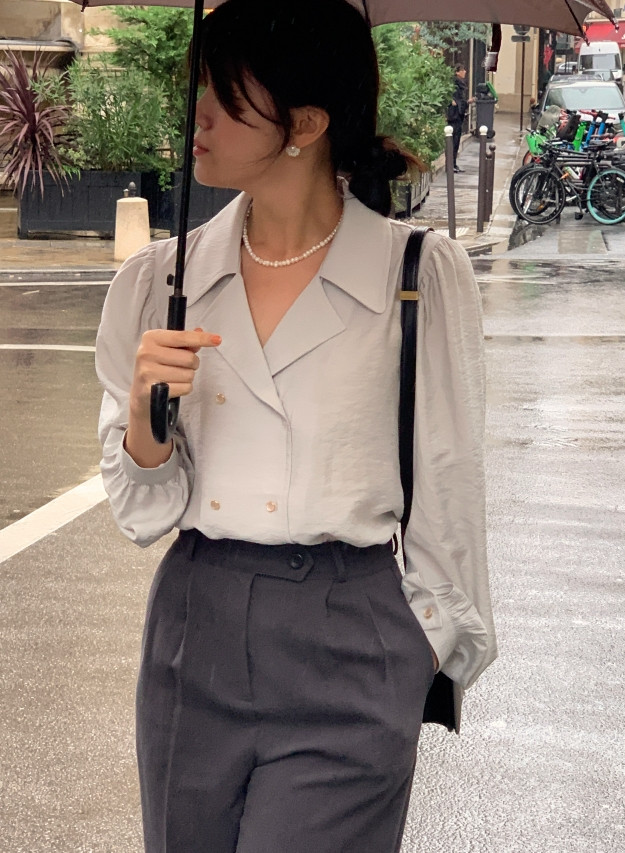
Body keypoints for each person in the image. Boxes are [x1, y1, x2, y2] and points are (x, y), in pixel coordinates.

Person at [95, 1, 497, 851]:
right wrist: (145, 420)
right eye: (201, 88)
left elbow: (449, 482)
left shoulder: (414, 274)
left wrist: (422, 648)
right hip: (194, 630)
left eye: (226, 95)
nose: (198, 115)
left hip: (349, 639)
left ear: (305, 126)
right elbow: (140, 512)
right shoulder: (158, 282)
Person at [447, 63, 474, 173]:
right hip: (455, 116)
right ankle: (451, 164)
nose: (465, 72)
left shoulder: (459, 84)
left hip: (457, 116)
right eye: (462, 70)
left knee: (456, 141)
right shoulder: (456, 85)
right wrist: (467, 102)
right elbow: (458, 102)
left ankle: (453, 164)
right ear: (457, 72)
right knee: (454, 141)